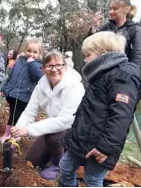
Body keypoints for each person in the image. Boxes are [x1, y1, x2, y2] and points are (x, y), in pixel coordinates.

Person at [59, 31, 141, 187]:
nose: (85, 59)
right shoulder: (101, 74)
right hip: (83, 139)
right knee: (65, 167)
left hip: (101, 145)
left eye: (88, 55)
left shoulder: (122, 78)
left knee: (92, 178)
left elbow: (121, 117)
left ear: (103, 54)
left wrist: (105, 148)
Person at [10, 50, 85, 180]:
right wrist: (17, 133)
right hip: (55, 127)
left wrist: (28, 130)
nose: (54, 69)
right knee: (32, 161)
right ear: (43, 68)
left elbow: (65, 121)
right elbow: (30, 112)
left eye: (58, 65)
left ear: (65, 67)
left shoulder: (75, 87)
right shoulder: (41, 86)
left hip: (75, 130)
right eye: (49, 66)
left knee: (54, 138)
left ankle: (59, 164)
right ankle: (58, 151)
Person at [0, 39, 44, 143]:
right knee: (12, 115)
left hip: (25, 97)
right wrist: (5, 88)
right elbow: (10, 76)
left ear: (39, 53)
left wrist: (31, 63)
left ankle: (15, 138)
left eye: (35, 52)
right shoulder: (19, 62)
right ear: (25, 50)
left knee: (19, 118)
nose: (31, 54)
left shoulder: (38, 65)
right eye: (29, 50)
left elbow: (38, 77)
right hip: (13, 94)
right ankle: (6, 134)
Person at [90, 0, 141, 73]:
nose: (111, 12)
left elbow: (136, 59)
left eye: (115, 9)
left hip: (123, 73)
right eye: (110, 8)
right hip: (103, 72)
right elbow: (91, 46)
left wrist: (131, 78)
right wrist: (95, 26)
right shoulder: (106, 27)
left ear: (127, 9)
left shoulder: (135, 29)